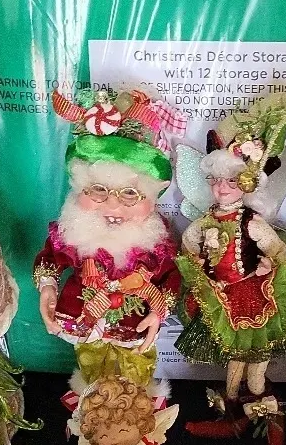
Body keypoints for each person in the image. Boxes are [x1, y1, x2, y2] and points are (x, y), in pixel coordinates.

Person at [174, 97, 286, 435]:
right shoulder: (205, 222)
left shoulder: (251, 222)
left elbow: (276, 248)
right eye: (215, 181)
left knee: (257, 354)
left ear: (247, 184)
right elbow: (188, 246)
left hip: (256, 293)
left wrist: (272, 263)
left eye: (231, 181)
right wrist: (198, 264)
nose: (221, 188)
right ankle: (231, 404)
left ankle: (258, 399)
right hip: (223, 296)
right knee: (235, 356)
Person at [34, 87, 186, 388]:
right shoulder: (75, 230)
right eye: (98, 191)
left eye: (130, 194)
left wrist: (159, 311)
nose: (113, 206)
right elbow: (50, 258)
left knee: (137, 374)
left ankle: (137, 411)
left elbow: (170, 276)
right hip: (84, 315)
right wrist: (48, 287)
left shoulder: (155, 241)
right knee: (91, 370)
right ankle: (94, 407)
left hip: (134, 322)